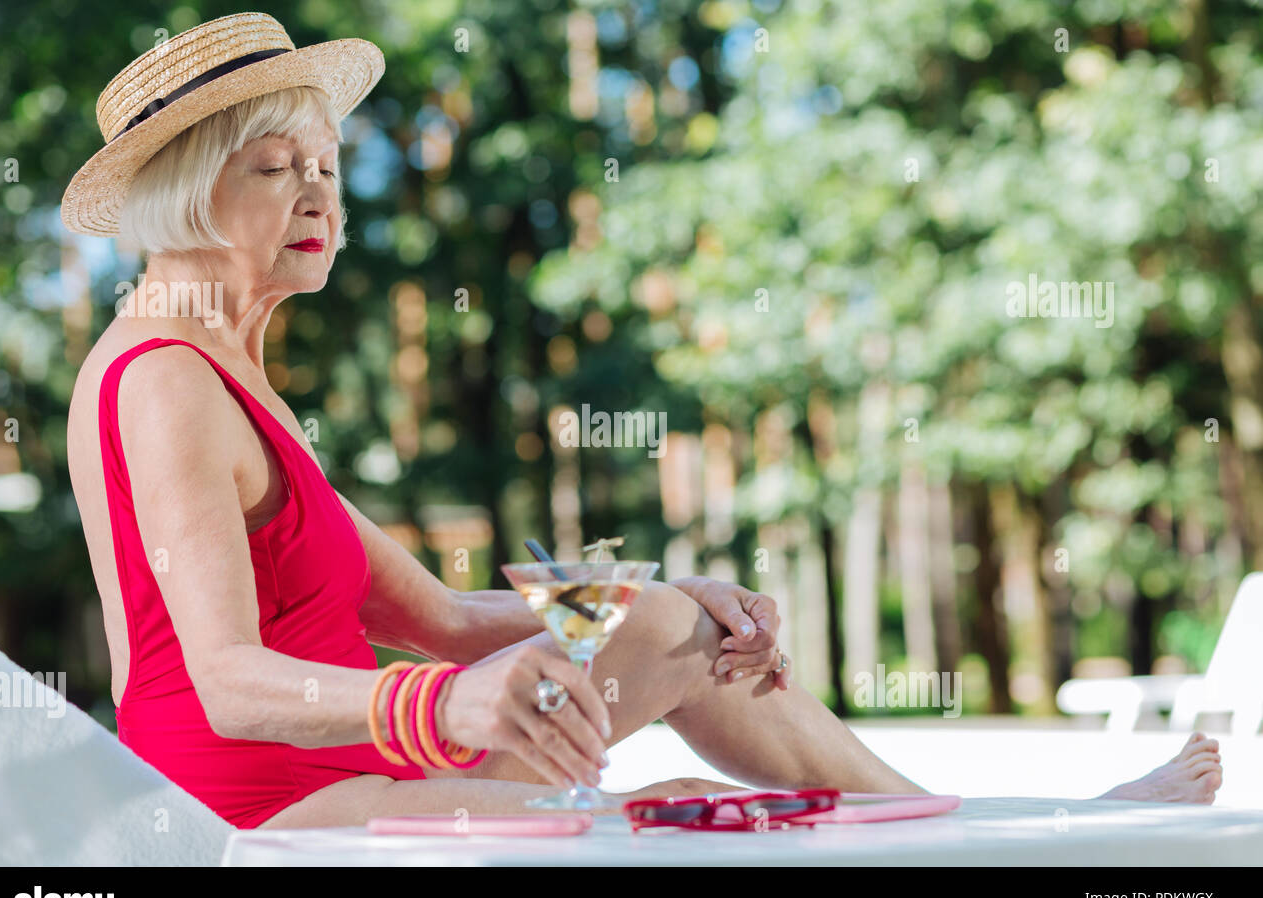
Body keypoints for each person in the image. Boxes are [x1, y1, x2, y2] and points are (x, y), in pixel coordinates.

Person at [62, 13, 1223, 829]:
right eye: (275, 166)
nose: (320, 192)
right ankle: (1011, 828)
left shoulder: (230, 374)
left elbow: (448, 616)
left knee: (683, 631)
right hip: (261, 797)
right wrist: (440, 702)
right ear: (185, 192)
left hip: (344, 755)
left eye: (325, 162)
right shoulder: (164, 379)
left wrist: (649, 593)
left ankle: (996, 822)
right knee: (667, 819)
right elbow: (222, 680)